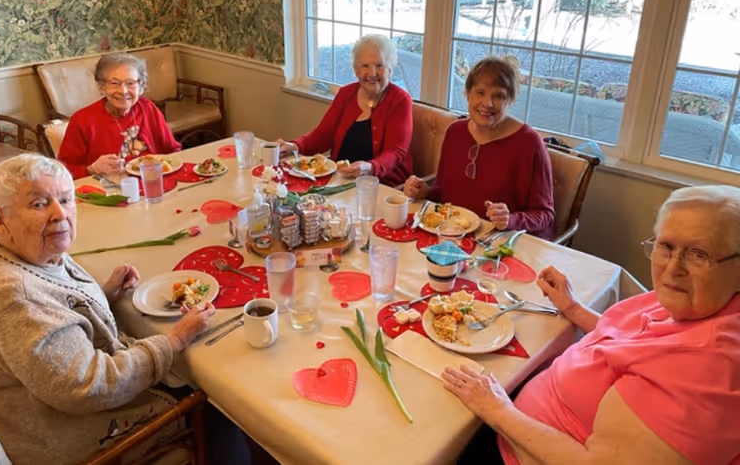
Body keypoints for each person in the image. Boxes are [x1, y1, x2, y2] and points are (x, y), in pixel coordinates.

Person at [0, 154, 242, 465]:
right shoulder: (13, 296)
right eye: (39, 204)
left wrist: (103, 294)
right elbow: (91, 387)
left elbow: (53, 315)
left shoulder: (19, 250)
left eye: (65, 199)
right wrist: (175, 340)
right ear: (0, 218)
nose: (60, 214)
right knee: (216, 401)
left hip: (37, 406)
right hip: (57, 437)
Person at [442, 185, 740, 465]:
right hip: (521, 414)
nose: (674, 268)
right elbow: (628, 343)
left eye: (698, 254)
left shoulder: (706, 369)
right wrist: (572, 307)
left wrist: (497, 410)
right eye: (666, 246)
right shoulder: (700, 304)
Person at [403, 56, 554, 239]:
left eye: (498, 96)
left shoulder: (530, 143)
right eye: (480, 92)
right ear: (468, 93)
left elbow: (545, 215)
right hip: (450, 235)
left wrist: (511, 219)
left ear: (510, 100)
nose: (487, 103)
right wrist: (424, 191)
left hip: (499, 243)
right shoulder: (455, 131)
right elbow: (443, 191)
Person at [278, 34, 413, 188]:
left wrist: (369, 168)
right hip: (340, 181)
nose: (372, 73)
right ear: (356, 70)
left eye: (379, 65)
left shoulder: (400, 100)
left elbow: (395, 152)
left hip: (382, 186)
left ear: (390, 69)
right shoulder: (346, 94)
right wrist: (295, 146)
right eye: (365, 66)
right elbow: (322, 135)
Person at [58, 53, 181, 179]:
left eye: (130, 83)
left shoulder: (148, 108)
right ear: (102, 87)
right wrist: (92, 169)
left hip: (155, 182)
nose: (123, 91)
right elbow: (62, 172)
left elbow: (173, 150)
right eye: (114, 83)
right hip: (107, 190)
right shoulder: (82, 120)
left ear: (141, 86)